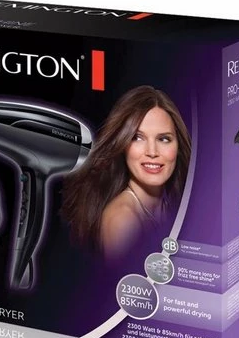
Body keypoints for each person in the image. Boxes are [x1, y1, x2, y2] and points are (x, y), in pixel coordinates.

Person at [61, 85, 191, 260]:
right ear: (123, 145)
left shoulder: (172, 204)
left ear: (178, 146)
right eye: (137, 138)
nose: (152, 152)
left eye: (164, 139)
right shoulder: (123, 219)